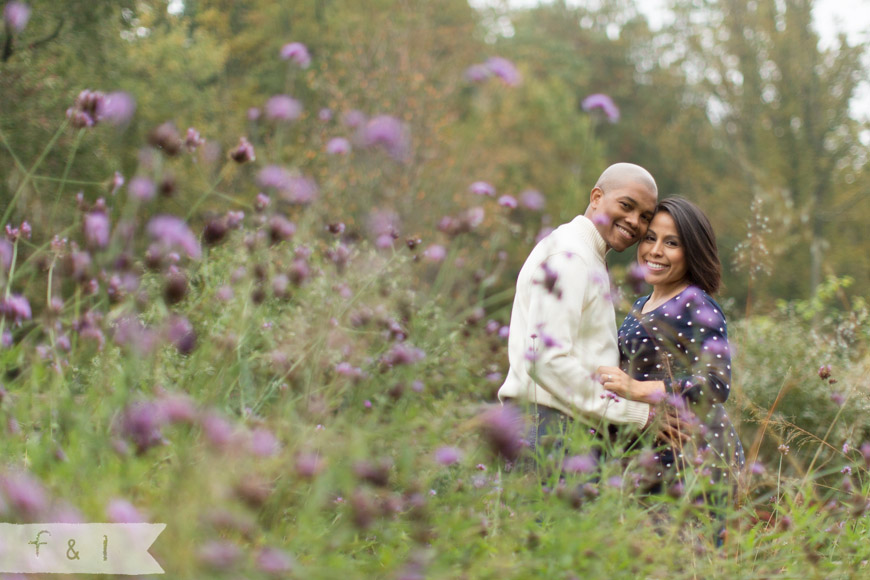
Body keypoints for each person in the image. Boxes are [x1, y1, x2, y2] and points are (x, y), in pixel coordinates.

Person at [497, 163, 658, 460]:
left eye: (645, 217)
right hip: (547, 429)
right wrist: (635, 413)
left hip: (560, 429)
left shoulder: (587, 254)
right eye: (626, 205)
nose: (635, 221)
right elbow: (545, 359)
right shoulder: (570, 256)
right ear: (596, 197)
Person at [596, 196, 745, 509]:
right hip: (648, 455)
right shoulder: (641, 304)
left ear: (692, 251)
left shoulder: (696, 303)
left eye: (671, 243)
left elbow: (716, 383)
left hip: (693, 459)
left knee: (684, 556)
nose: (655, 251)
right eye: (650, 238)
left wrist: (638, 388)